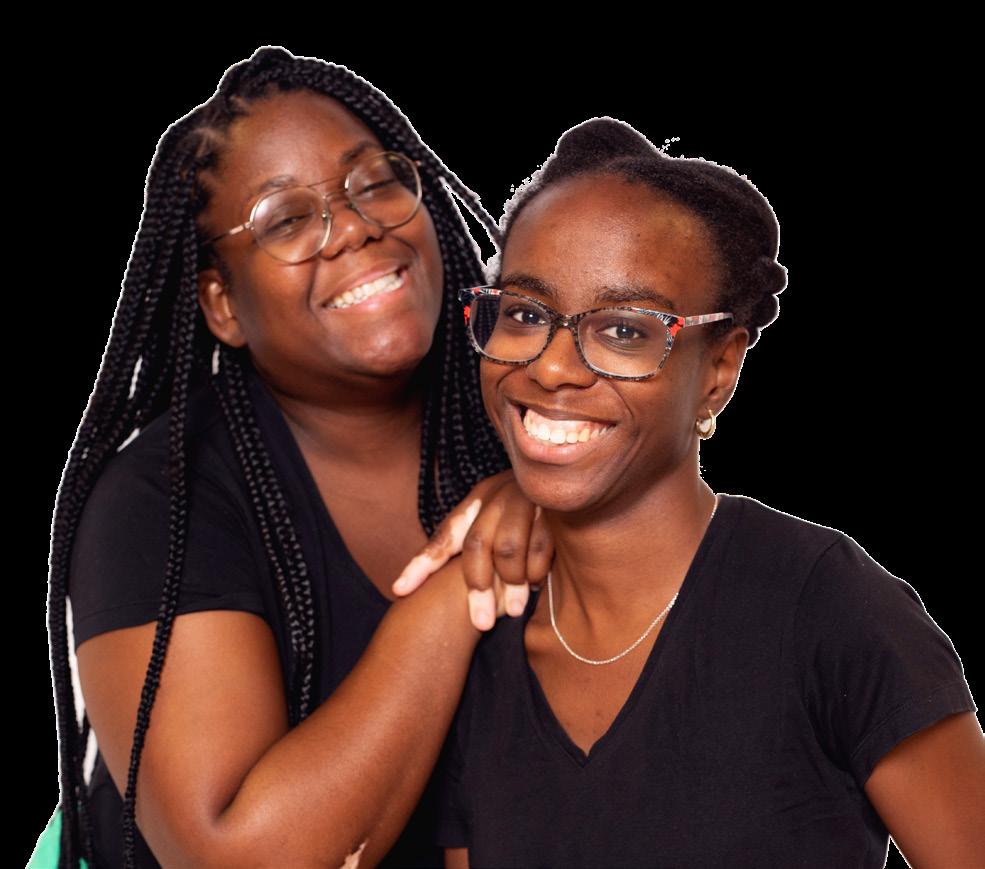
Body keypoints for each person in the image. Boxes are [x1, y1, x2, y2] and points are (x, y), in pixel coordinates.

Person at [47, 46, 550, 869]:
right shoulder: (159, 501)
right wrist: (461, 584)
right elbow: (237, 858)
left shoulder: (536, 421)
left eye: (375, 182)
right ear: (221, 305)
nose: (354, 226)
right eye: (284, 220)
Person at [435, 117, 984, 867]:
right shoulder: (481, 645)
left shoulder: (829, 609)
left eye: (624, 330)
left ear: (719, 370)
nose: (553, 367)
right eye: (526, 314)